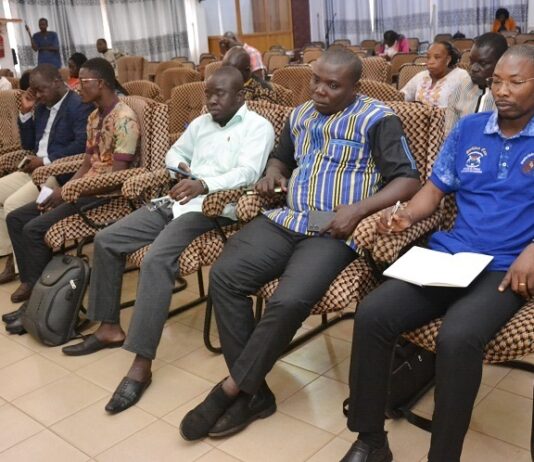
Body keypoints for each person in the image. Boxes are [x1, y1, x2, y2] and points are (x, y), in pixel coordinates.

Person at [179, 48, 421, 441]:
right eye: (316, 80)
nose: (320, 90)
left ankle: (233, 388)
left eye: (333, 85)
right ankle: (255, 392)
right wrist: (272, 175)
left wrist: (358, 211)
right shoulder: (300, 115)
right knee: (225, 276)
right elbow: (281, 160)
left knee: (289, 300)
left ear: (355, 87)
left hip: (332, 226)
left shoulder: (378, 119)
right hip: (287, 218)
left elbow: (408, 181)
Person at [341, 44, 534, 462]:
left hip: (505, 267)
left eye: (516, 82)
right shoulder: (469, 130)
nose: (502, 90)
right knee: (373, 313)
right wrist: (406, 215)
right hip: (452, 257)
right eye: (497, 81)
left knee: (458, 337)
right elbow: (433, 190)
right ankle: (370, 440)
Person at [61, 66, 275, 414]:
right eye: (208, 94)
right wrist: (183, 170)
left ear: (240, 96)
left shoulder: (257, 127)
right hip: (176, 199)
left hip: (212, 208)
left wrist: (203, 184)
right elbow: (173, 153)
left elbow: (248, 173)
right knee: (107, 239)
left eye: (220, 94)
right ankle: (109, 328)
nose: (211, 100)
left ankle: (141, 364)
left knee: (156, 259)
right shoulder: (202, 123)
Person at [4, 58, 139, 332]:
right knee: (17, 218)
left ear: (101, 83)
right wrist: (63, 190)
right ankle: (34, 298)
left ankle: (43, 307)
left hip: (105, 197)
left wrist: (70, 192)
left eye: (84, 82)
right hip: (81, 190)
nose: (78, 87)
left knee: (34, 229)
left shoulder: (124, 119)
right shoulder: (94, 117)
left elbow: (115, 177)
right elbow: (86, 165)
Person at [0, 64, 92, 297]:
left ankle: (24, 273)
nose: (38, 95)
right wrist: (26, 112)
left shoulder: (78, 105)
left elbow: (81, 147)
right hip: (33, 169)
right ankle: (10, 255)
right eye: (35, 91)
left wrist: (45, 161)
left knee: (12, 205)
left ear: (57, 82)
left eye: (41, 90)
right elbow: (29, 144)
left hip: (56, 174)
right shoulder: (41, 106)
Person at [445, 32, 508, 134]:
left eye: (482, 63)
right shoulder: (462, 87)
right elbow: (450, 134)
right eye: (471, 61)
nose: (473, 68)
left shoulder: (510, 94)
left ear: (502, 61)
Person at [401, 41, 468, 108]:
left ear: (448, 59)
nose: (430, 62)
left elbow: (468, 105)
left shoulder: (461, 76)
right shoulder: (421, 76)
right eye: (428, 57)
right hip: (418, 114)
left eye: (437, 57)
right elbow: (403, 96)